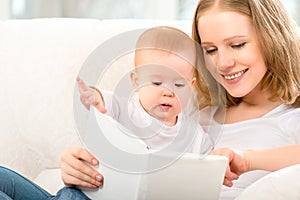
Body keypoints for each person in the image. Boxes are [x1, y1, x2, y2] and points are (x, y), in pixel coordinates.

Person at [61, 0, 300, 199]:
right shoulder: (192, 111)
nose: (223, 64)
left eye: (237, 45)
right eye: (210, 50)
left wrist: (247, 160)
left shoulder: (290, 117)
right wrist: (82, 166)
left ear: (272, 39)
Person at [0, 26, 211, 200]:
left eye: (178, 84)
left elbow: (210, 173)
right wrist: (96, 97)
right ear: (136, 81)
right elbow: (109, 102)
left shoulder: (195, 135)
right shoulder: (129, 111)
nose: (168, 92)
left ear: (191, 85)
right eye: (156, 82)